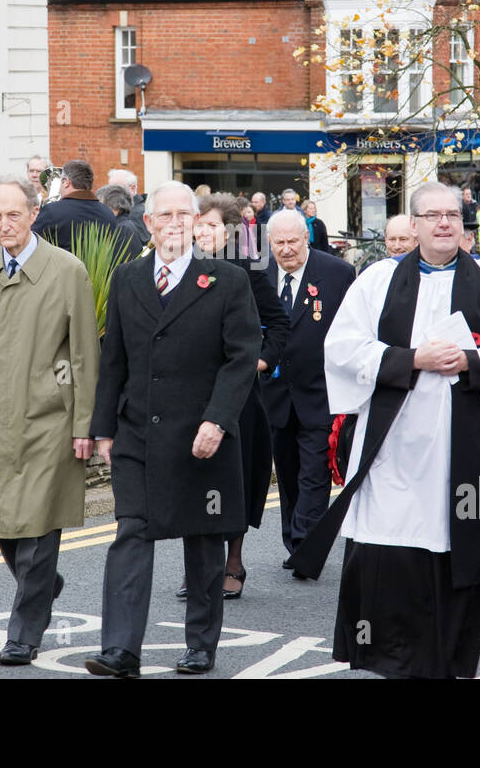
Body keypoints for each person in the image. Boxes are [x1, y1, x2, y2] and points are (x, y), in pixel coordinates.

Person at [290, 181, 480, 678]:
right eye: (433, 215)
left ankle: (447, 662)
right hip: (393, 449)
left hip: (467, 445)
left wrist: (467, 359)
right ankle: (392, 660)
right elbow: (341, 348)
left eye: (453, 215)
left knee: (455, 555)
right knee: (390, 557)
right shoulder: (378, 279)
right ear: (415, 223)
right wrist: (411, 359)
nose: (445, 223)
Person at [85, 181, 260, 678]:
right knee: (130, 535)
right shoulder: (126, 279)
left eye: (186, 214)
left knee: (203, 541)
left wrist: (218, 420)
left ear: (196, 221)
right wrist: (103, 428)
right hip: (138, 435)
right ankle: (120, 649)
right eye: (167, 215)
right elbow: (112, 359)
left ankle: (201, 644)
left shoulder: (226, 280)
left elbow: (240, 359)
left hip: (203, 437)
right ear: (150, 223)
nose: (177, 222)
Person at [0, 175, 100, 666]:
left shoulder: (67, 270)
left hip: (49, 420)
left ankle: (23, 634)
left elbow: (84, 356)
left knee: (37, 524)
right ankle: (45, 585)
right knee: (4, 522)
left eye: (14, 214)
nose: (4, 224)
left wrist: (83, 428)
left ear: (34, 214)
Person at [175, 192, 289, 600]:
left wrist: (258, 363)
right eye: (199, 224)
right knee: (194, 478)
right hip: (191, 394)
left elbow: (278, 325)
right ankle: (198, 565)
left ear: (229, 231)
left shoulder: (248, 268)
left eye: (212, 225)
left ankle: (233, 562)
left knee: (235, 479)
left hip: (239, 397)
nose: (203, 232)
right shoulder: (179, 267)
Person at [262, 209, 357, 567]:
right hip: (274, 396)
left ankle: (306, 546)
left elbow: (351, 331)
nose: (286, 250)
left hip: (321, 393)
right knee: (287, 475)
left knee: (314, 472)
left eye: (293, 241)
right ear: (269, 243)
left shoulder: (337, 273)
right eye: (279, 243)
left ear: (307, 238)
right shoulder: (257, 273)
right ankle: (294, 539)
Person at [31, 159, 120, 251]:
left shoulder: (51, 211)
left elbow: (32, 243)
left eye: (61, 181)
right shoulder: (108, 213)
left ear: (66, 182)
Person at [96, 183, 146, 257]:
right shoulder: (124, 225)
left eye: (101, 206)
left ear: (114, 207)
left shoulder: (121, 228)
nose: (98, 210)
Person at [107, 168, 149, 246]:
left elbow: (145, 247)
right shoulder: (130, 210)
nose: (111, 193)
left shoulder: (136, 214)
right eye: (110, 189)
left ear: (132, 188)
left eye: (116, 189)